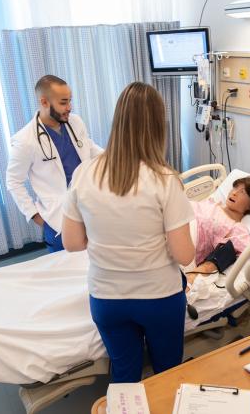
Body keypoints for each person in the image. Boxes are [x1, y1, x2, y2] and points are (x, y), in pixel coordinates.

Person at [61, 82, 195, 383]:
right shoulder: (164, 180)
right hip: (159, 298)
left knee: (124, 371)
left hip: (107, 298)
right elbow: (185, 255)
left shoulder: (85, 174)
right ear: (159, 126)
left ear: (117, 120)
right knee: (167, 375)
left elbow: (71, 243)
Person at [6, 75, 103, 252]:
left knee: (95, 264)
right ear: (44, 102)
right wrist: (36, 216)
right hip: (58, 218)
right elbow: (13, 182)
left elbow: (89, 146)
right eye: (63, 103)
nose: (69, 108)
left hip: (89, 208)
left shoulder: (75, 122)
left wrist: (117, 158)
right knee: (67, 271)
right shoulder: (25, 140)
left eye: (70, 101)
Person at [184, 176, 250, 287]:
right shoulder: (211, 203)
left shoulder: (237, 229)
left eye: (242, 192)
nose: (234, 193)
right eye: (235, 188)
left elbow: (235, 255)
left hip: (185, 238)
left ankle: (189, 280)